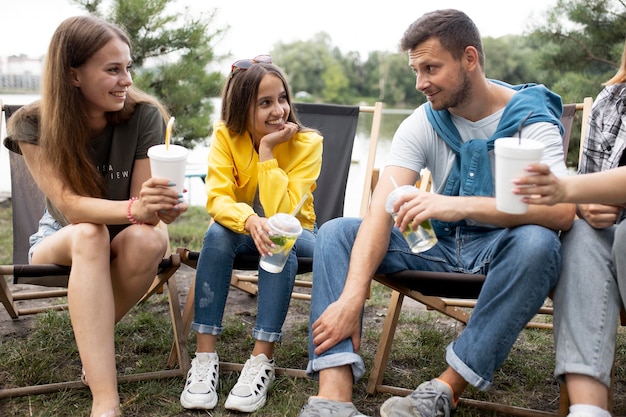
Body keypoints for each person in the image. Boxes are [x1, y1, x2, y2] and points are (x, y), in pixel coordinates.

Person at [296, 9, 576, 417]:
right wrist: (353, 298)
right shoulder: (423, 121)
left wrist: (455, 204)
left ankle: (443, 391)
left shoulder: (530, 119)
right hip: (438, 243)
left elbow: (564, 212)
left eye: (430, 68)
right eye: (415, 70)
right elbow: (381, 208)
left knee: (538, 243)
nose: (420, 83)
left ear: (469, 58)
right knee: (339, 231)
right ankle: (333, 398)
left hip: (503, 246)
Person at [3, 16, 187, 417]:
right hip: (62, 241)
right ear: (73, 75)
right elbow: (69, 204)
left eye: (128, 67)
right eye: (113, 69)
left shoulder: (145, 117)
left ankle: (93, 347)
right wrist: (135, 208)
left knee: (150, 239)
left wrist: (161, 207)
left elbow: (148, 218)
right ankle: (106, 401)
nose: (127, 79)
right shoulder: (32, 124)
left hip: (125, 242)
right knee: (89, 233)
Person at [179, 56, 322, 413]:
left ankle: (261, 359)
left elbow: (283, 215)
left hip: (300, 234)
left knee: (279, 237)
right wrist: (248, 221)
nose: (279, 111)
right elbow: (217, 198)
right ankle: (204, 357)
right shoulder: (226, 136)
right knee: (216, 234)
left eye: (282, 98)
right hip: (245, 230)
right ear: (242, 107)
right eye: (265, 102)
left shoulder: (307, 143)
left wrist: (268, 151)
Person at [513, 39, 626, 417]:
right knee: (580, 235)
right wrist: (585, 204)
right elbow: (592, 183)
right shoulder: (611, 102)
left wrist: (566, 189)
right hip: (615, 248)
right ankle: (589, 409)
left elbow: (577, 185)